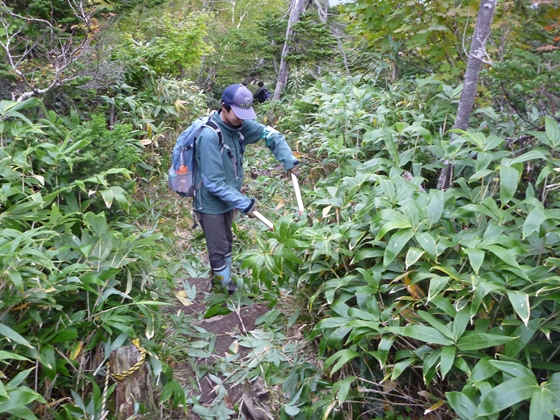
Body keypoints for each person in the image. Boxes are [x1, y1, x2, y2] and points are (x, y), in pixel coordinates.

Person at [193, 84, 299, 294]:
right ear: (224, 107)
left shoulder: (239, 126)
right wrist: (245, 204)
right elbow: (213, 182)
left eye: (245, 114)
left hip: (229, 198)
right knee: (219, 247)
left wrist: (290, 162)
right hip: (210, 202)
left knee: (227, 241)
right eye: (238, 114)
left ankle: (224, 281)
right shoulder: (209, 136)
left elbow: (271, 135)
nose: (242, 119)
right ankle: (224, 291)